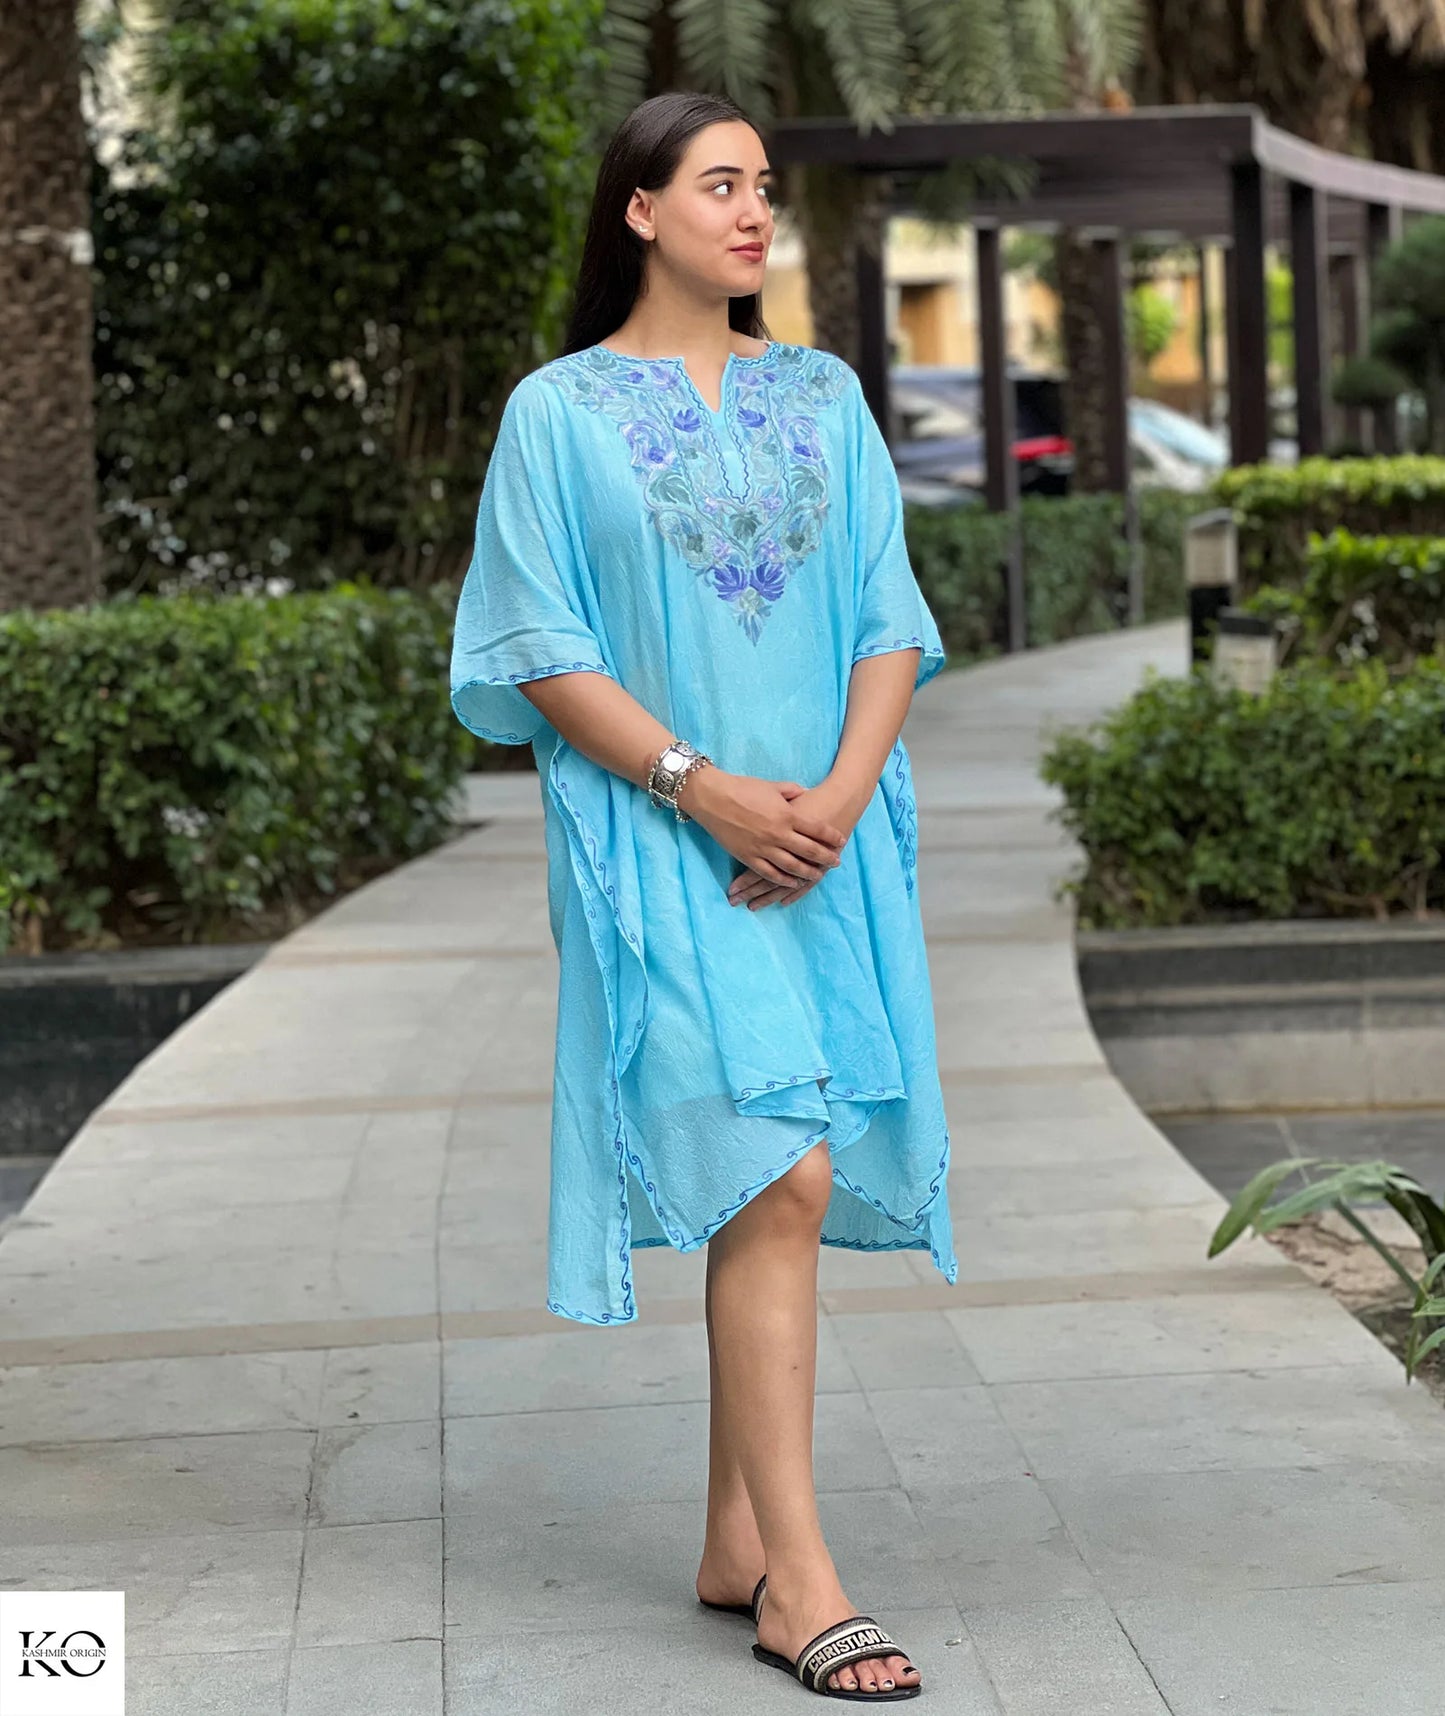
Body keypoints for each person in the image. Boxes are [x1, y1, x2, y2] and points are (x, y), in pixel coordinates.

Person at [450, 88, 957, 1702]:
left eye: (762, 187)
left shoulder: (823, 392)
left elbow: (886, 613)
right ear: (640, 209)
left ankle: (737, 1539)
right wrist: (703, 786)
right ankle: (803, 1587)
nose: (753, 212)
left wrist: (834, 800)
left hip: (824, 841)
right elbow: (538, 646)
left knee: (777, 1177)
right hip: (652, 843)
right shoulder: (556, 413)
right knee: (779, 1171)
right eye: (719, 184)